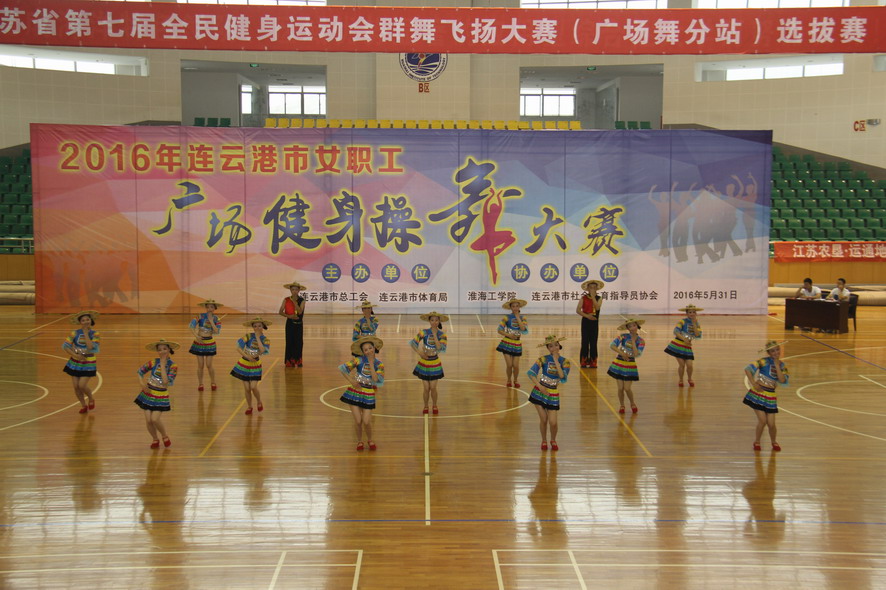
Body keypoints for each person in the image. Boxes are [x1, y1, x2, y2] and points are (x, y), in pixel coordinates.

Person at [339, 335, 385, 451]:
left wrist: (371, 363)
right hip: (355, 392)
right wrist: (351, 381)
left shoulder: (379, 364)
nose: (368, 351)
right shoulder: (358, 360)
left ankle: (370, 439)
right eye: (365, 350)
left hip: (369, 393)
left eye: (370, 348)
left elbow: (375, 379)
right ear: (363, 352)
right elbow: (343, 368)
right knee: (358, 421)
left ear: (374, 348)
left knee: (366, 421)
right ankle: (360, 441)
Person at [527, 334, 571, 451]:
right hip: (539, 392)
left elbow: (562, 377)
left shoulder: (565, 362)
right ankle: (544, 440)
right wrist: (539, 386)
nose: (554, 348)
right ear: (547, 348)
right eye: (551, 346)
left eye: (556, 345)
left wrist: (556, 360)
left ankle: (553, 439)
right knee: (544, 419)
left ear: (559, 346)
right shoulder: (543, 359)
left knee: (553, 422)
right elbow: (531, 373)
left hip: (553, 394)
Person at [743, 340, 789, 452]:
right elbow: (748, 369)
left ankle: (774, 442)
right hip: (758, 394)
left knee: (772, 424)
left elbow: (782, 380)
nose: (776, 352)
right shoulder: (763, 361)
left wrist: (777, 365)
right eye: (772, 351)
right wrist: (753, 383)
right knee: (762, 421)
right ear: (769, 353)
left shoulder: (782, 365)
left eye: (777, 349)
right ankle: (757, 441)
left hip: (771, 396)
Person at [134, 339, 180, 448]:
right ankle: (155, 439)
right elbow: (140, 371)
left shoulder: (173, 366)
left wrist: (163, 365)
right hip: (148, 393)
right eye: (159, 350)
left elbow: (166, 382)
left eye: (164, 349)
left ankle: (164, 435)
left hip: (160, 395)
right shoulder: (153, 362)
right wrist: (142, 384)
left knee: (155, 419)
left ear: (169, 350)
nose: (162, 351)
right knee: (148, 420)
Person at [411, 311, 448, 415]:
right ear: (429, 321)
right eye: (432, 320)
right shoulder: (424, 332)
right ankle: (426, 406)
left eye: (436, 320)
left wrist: (435, 334)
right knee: (426, 388)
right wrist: (420, 353)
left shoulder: (442, 335)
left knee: (433, 387)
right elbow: (413, 343)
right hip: (424, 363)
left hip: (435, 363)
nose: (434, 322)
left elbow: (440, 348)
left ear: (439, 321)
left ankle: (435, 405)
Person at [231, 317, 271, 415]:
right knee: (247, 388)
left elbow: (263, 350)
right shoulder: (248, 336)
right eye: (255, 326)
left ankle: (259, 401)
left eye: (259, 326)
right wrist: (247, 356)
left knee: (253, 386)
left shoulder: (265, 340)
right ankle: (249, 406)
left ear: (263, 327)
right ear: (252, 327)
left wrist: (257, 337)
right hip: (244, 364)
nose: (257, 328)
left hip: (255, 365)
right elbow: (238, 347)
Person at [62, 310, 100, 414]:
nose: (86, 321)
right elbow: (65, 346)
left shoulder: (95, 333)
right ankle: (83, 405)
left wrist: (86, 333)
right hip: (75, 363)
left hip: (89, 363)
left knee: (82, 385)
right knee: (76, 387)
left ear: (91, 320)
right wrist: (75, 355)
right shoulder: (74, 333)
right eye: (83, 320)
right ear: (80, 322)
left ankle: (91, 398)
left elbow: (91, 347)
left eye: (87, 319)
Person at [607, 318, 646, 414]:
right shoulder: (623, 336)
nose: (632, 328)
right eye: (630, 326)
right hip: (619, 363)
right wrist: (622, 353)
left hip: (630, 365)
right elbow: (612, 345)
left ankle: (632, 403)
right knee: (620, 388)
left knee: (627, 388)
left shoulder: (641, 341)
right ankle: (622, 405)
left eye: (634, 325)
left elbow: (637, 354)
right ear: (628, 328)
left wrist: (633, 341)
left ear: (637, 326)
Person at [664, 304, 703, 387]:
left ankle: (689, 378)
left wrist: (694, 324)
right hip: (677, 345)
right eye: (690, 312)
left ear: (696, 313)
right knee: (682, 365)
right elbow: (676, 331)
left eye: (693, 312)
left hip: (687, 347)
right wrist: (684, 339)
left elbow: (697, 335)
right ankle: (681, 379)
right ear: (687, 313)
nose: (692, 314)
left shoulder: (697, 323)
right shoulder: (682, 321)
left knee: (690, 365)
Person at [188, 299, 222, 391]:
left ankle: (213, 382)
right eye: (207, 307)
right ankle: (200, 383)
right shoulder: (200, 316)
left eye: (211, 307)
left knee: (209, 365)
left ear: (214, 308)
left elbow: (217, 331)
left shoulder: (216, 319)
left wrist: (211, 321)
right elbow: (191, 326)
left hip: (209, 343)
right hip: (199, 343)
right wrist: (196, 336)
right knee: (200, 365)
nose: (209, 309)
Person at [496, 297, 528, 387]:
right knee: (509, 365)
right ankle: (509, 380)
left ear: (519, 307)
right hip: (507, 343)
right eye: (513, 306)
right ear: (510, 307)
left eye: (517, 306)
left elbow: (523, 329)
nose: (515, 308)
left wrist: (517, 317)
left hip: (517, 344)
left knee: (516, 365)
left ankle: (516, 380)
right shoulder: (506, 317)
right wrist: (509, 335)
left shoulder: (523, 317)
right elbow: (499, 330)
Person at [576, 280, 603, 368]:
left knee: (593, 342)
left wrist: (593, 297)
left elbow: (597, 307)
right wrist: (587, 316)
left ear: (597, 289)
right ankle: (584, 360)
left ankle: (593, 361)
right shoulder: (583, 298)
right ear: (587, 288)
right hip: (586, 322)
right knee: (585, 342)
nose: (592, 289)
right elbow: (578, 310)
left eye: (594, 287)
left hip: (594, 323)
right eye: (590, 287)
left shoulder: (599, 298)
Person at [278, 281, 306, 367]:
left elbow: (300, 312)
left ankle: (298, 361)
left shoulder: (302, 300)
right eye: (293, 289)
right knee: (289, 342)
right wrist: (289, 316)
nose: (294, 291)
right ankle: (290, 361)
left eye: (296, 289)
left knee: (299, 342)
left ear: (299, 290)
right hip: (290, 324)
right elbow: (280, 312)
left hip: (299, 324)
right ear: (290, 290)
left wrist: (294, 302)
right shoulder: (286, 299)